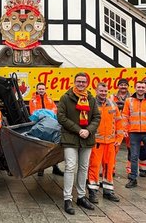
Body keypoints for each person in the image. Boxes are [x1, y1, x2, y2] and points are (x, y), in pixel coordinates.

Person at [57, 72, 101, 215]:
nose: (81, 84)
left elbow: (96, 117)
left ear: (87, 83)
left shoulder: (91, 99)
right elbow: (61, 117)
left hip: (86, 138)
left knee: (83, 167)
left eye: (83, 82)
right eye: (78, 81)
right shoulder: (66, 98)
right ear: (74, 82)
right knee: (70, 167)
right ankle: (67, 198)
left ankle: (81, 196)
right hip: (70, 137)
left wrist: (88, 130)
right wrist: (78, 130)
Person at [87, 82, 123, 204]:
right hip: (96, 142)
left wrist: (119, 138)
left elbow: (119, 122)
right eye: (101, 91)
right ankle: (93, 192)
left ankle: (108, 191)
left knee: (109, 167)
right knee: (94, 167)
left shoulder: (112, 104)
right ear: (96, 91)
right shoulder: (91, 104)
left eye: (105, 91)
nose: (103, 93)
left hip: (111, 142)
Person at [123, 80, 146, 192]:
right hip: (134, 133)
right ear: (135, 88)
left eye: (142, 87)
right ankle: (133, 178)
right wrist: (125, 130)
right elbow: (125, 116)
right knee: (134, 157)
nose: (140, 89)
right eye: (138, 87)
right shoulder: (129, 101)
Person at [29, 82, 63, 176]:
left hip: (51, 125)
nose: (41, 90)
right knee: (41, 147)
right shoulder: (33, 100)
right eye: (39, 89)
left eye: (42, 89)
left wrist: (47, 115)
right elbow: (33, 113)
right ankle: (41, 169)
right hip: (40, 126)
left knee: (53, 146)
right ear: (36, 89)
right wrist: (46, 115)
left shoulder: (49, 99)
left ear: (45, 89)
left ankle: (55, 167)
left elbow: (54, 110)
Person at [111, 78, 131, 175]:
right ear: (118, 86)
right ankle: (111, 169)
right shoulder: (112, 97)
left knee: (131, 149)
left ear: (128, 86)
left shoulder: (132, 97)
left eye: (125, 85)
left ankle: (130, 169)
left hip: (129, 126)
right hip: (116, 126)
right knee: (114, 149)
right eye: (121, 84)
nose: (123, 86)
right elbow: (109, 110)